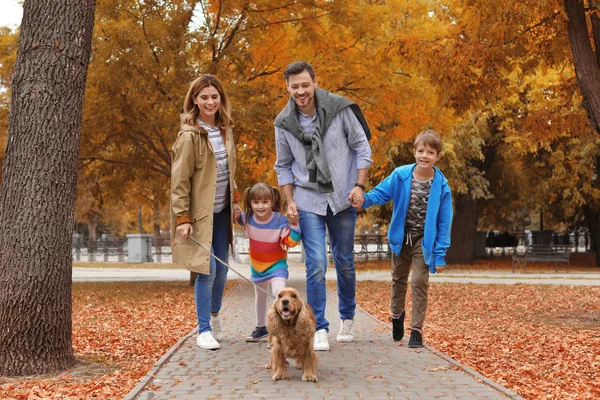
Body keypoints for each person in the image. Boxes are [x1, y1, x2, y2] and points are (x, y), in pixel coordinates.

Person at [274, 60, 373, 351]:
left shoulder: (340, 110)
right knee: (315, 263)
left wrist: (359, 186)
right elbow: (283, 165)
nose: (301, 91)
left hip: (342, 197)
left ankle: (347, 318)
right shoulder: (284, 123)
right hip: (308, 200)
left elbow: (361, 147)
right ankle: (319, 327)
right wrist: (289, 201)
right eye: (295, 87)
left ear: (315, 82)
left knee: (344, 262)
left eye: (306, 84)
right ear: (288, 88)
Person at [350, 130, 453, 348]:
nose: (425, 156)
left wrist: (440, 254)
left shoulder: (441, 186)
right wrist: (363, 201)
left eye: (430, 152)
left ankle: (416, 330)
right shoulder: (401, 175)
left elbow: (445, 222)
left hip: (423, 241)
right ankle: (397, 315)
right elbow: (380, 194)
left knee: (419, 281)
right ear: (414, 152)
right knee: (398, 280)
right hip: (401, 238)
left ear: (438, 157)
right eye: (421, 151)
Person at [170, 74, 242, 350]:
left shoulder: (226, 130)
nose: (210, 102)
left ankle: (214, 317)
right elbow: (180, 181)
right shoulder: (190, 135)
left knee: (222, 271)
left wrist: (235, 201)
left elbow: (229, 170)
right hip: (199, 215)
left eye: (214, 96)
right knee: (206, 270)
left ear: (221, 99)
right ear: (195, 101)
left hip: (222, 212)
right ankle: (203, 330)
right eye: (204, 97)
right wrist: (182, 218)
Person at [235, 182, 302, 342]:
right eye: (256, 202)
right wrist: (235, 205)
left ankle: (284, 328)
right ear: (250, 203)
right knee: (260, 298)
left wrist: (294, 225)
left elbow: (290, 242)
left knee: (278, 295)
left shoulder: (280, 220)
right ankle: (260, 328)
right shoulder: (247, 219)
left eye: (264, 202)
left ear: (272, 202)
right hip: (257, 267)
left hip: (276, 267)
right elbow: (235, 216)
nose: (260, 206)